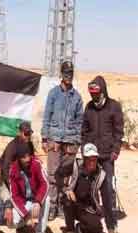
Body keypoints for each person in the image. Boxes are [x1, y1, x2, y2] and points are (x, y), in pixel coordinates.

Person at [41, 60, 84, 221]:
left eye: (71, 73)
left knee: (65, 176)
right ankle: (51, 205)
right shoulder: (53, 94)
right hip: (54, 140)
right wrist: (44, 138)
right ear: (61, 74)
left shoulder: (77, 98)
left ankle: (61, 204)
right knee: (52, 175)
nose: (69, 76)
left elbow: (80, 121)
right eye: (66, 73)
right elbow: (47, 116)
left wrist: (77, 141)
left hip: (70, 142)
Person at [63, 144, 119, 233]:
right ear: (84, 159)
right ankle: (70, 231)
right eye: (89, 159)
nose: (92, 162)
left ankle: (80, 228)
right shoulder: (75, 165)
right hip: (73, 203)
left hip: (88, 207)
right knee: (67, 200)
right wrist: (66, 189)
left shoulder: (101, 175)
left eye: (94, 159)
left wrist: (110, 230)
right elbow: (58, 175)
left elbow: (107, 202)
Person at [81, 76, 124, 213]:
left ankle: (111, 213)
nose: (94, 97)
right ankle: (96, 210)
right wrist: (84, 148)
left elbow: (119, 131)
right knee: (92, 183)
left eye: (96, 94)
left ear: (103, 91)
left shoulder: (114, 106)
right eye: (92, 94)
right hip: (91, 155)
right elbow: (84, 130)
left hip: (107, 154)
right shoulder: (89, 107)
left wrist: (115, 150)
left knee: (107, 184)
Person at [8, 143, 49, 233]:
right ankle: (24, 225)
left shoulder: (36, 164)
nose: (27, 159)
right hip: (25, 201)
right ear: (18, 158)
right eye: (23, 157)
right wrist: (26, 216)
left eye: (28, 156)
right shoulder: (13, 169)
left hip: (36, 199)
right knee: (12, 222)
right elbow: (14, 196)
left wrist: (38, 201)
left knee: (47, 199)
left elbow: (45, 184)